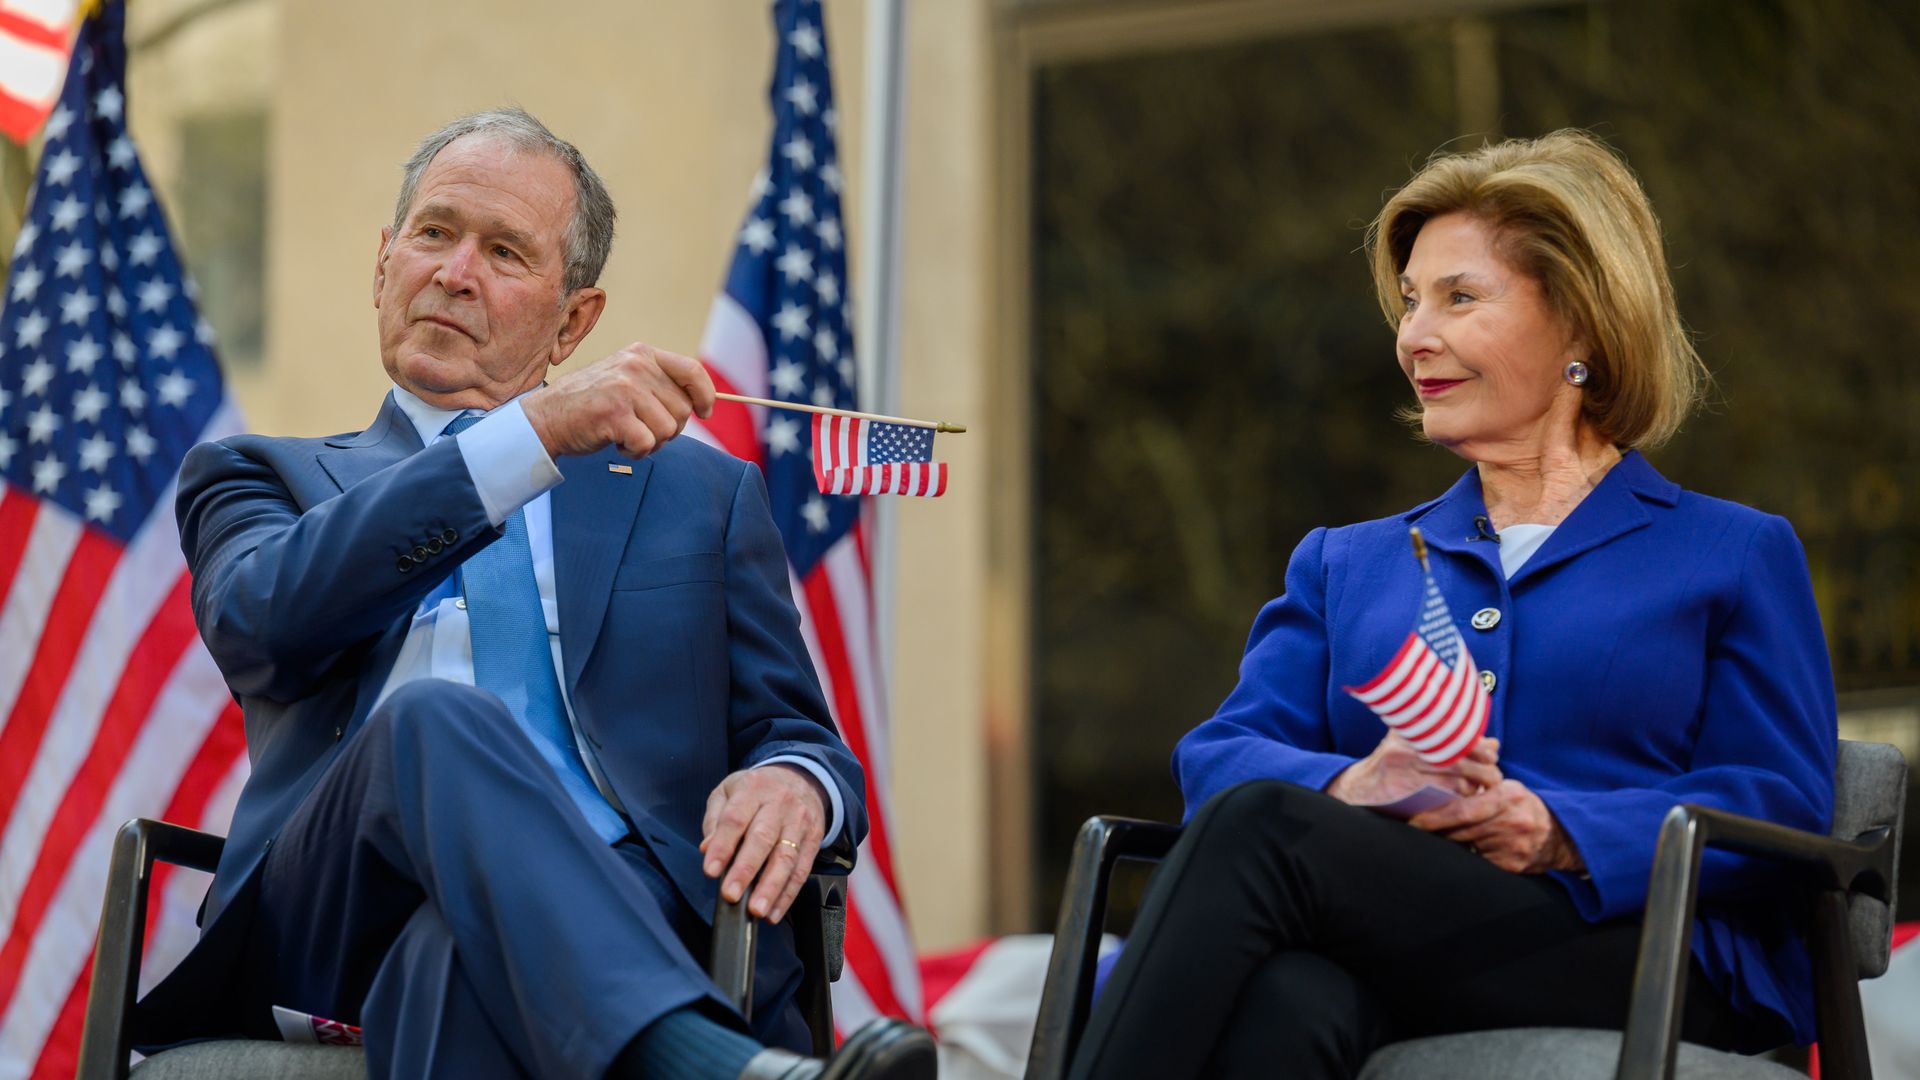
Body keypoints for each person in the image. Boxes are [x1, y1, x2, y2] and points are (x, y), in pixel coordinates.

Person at [131, 108, 935, 1080]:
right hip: (331, 907)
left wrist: (794, 783)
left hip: (626, 909)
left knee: (451, 957)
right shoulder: (260, 476)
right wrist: (528, 438)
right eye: (434, 233)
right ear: (385, 263)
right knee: (433, 720)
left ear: (574, 320)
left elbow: (803, 736)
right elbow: (262, 624)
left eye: (504, 251)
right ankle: (717, 1069)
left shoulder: (699, 496)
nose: (455, 272)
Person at [1066, 130, 1837, 1079]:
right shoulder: (1344, 563)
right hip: (1402, 944)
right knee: (1290, 1003)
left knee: (1267, 829)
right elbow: (1219, 757)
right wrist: (1358, 789)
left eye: (1458, 298)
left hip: (1639, 952)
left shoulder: (1731, 552)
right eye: (1407, 303)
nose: (1411, 337)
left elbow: (1781, 807)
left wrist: (1558, 834)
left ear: (1583, 324)